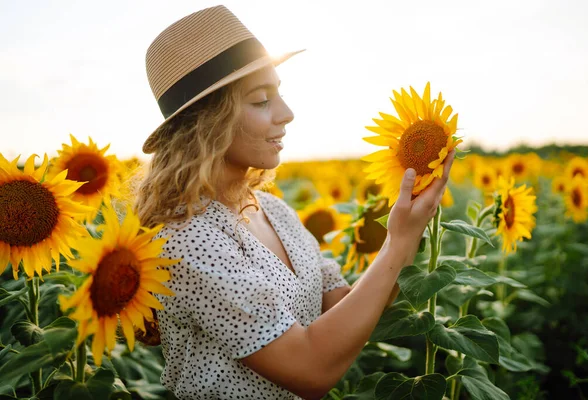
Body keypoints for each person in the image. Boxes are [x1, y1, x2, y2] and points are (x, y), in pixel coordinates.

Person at [134, 5, 455, 400]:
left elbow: (344, 307)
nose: (286, 114)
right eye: (260, 101)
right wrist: (399, 241)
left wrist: (410, 226)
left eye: (279, 93)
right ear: (208, 121)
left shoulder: (273, 211)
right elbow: (312, 368)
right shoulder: (188, 240)